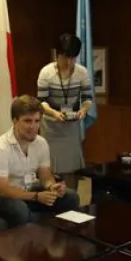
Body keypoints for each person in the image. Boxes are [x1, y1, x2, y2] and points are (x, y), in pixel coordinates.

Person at [0, 95, 80, 228]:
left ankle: (63, 240)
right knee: (20, 210)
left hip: (28, 190)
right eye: (27, 121)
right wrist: (36, 196)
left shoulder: (41, 143)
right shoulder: (0, 147)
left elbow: (45, 176)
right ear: (15, 121)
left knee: (70, 197)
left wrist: (52, 186)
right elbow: (3, 189)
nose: (33, 127)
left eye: (37, 121)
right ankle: (26, 247)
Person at [37, 32, 94, 177]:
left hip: (71, 128)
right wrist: (54, 113)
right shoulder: (46, 73)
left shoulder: (82, 72)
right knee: (50, 170)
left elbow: (88, 97)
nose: (69, 62)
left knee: (71, 172)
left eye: (73, 58)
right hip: (51, 127)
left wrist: (84, 110)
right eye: (65, 57)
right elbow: (41, 102)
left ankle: (70, 198)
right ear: (58, 54)